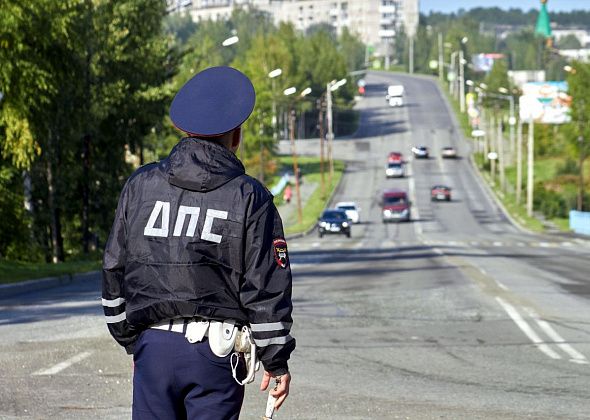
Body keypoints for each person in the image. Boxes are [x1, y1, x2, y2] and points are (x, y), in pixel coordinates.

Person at [102, 66, 295, 420]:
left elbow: (114, 266)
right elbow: (265, 289)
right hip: (214, 357)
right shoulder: (250, 198)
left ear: (185, 130)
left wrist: (133, 342)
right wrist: (276, 361)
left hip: (152, 350)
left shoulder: (140, 186)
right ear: (236, 136)